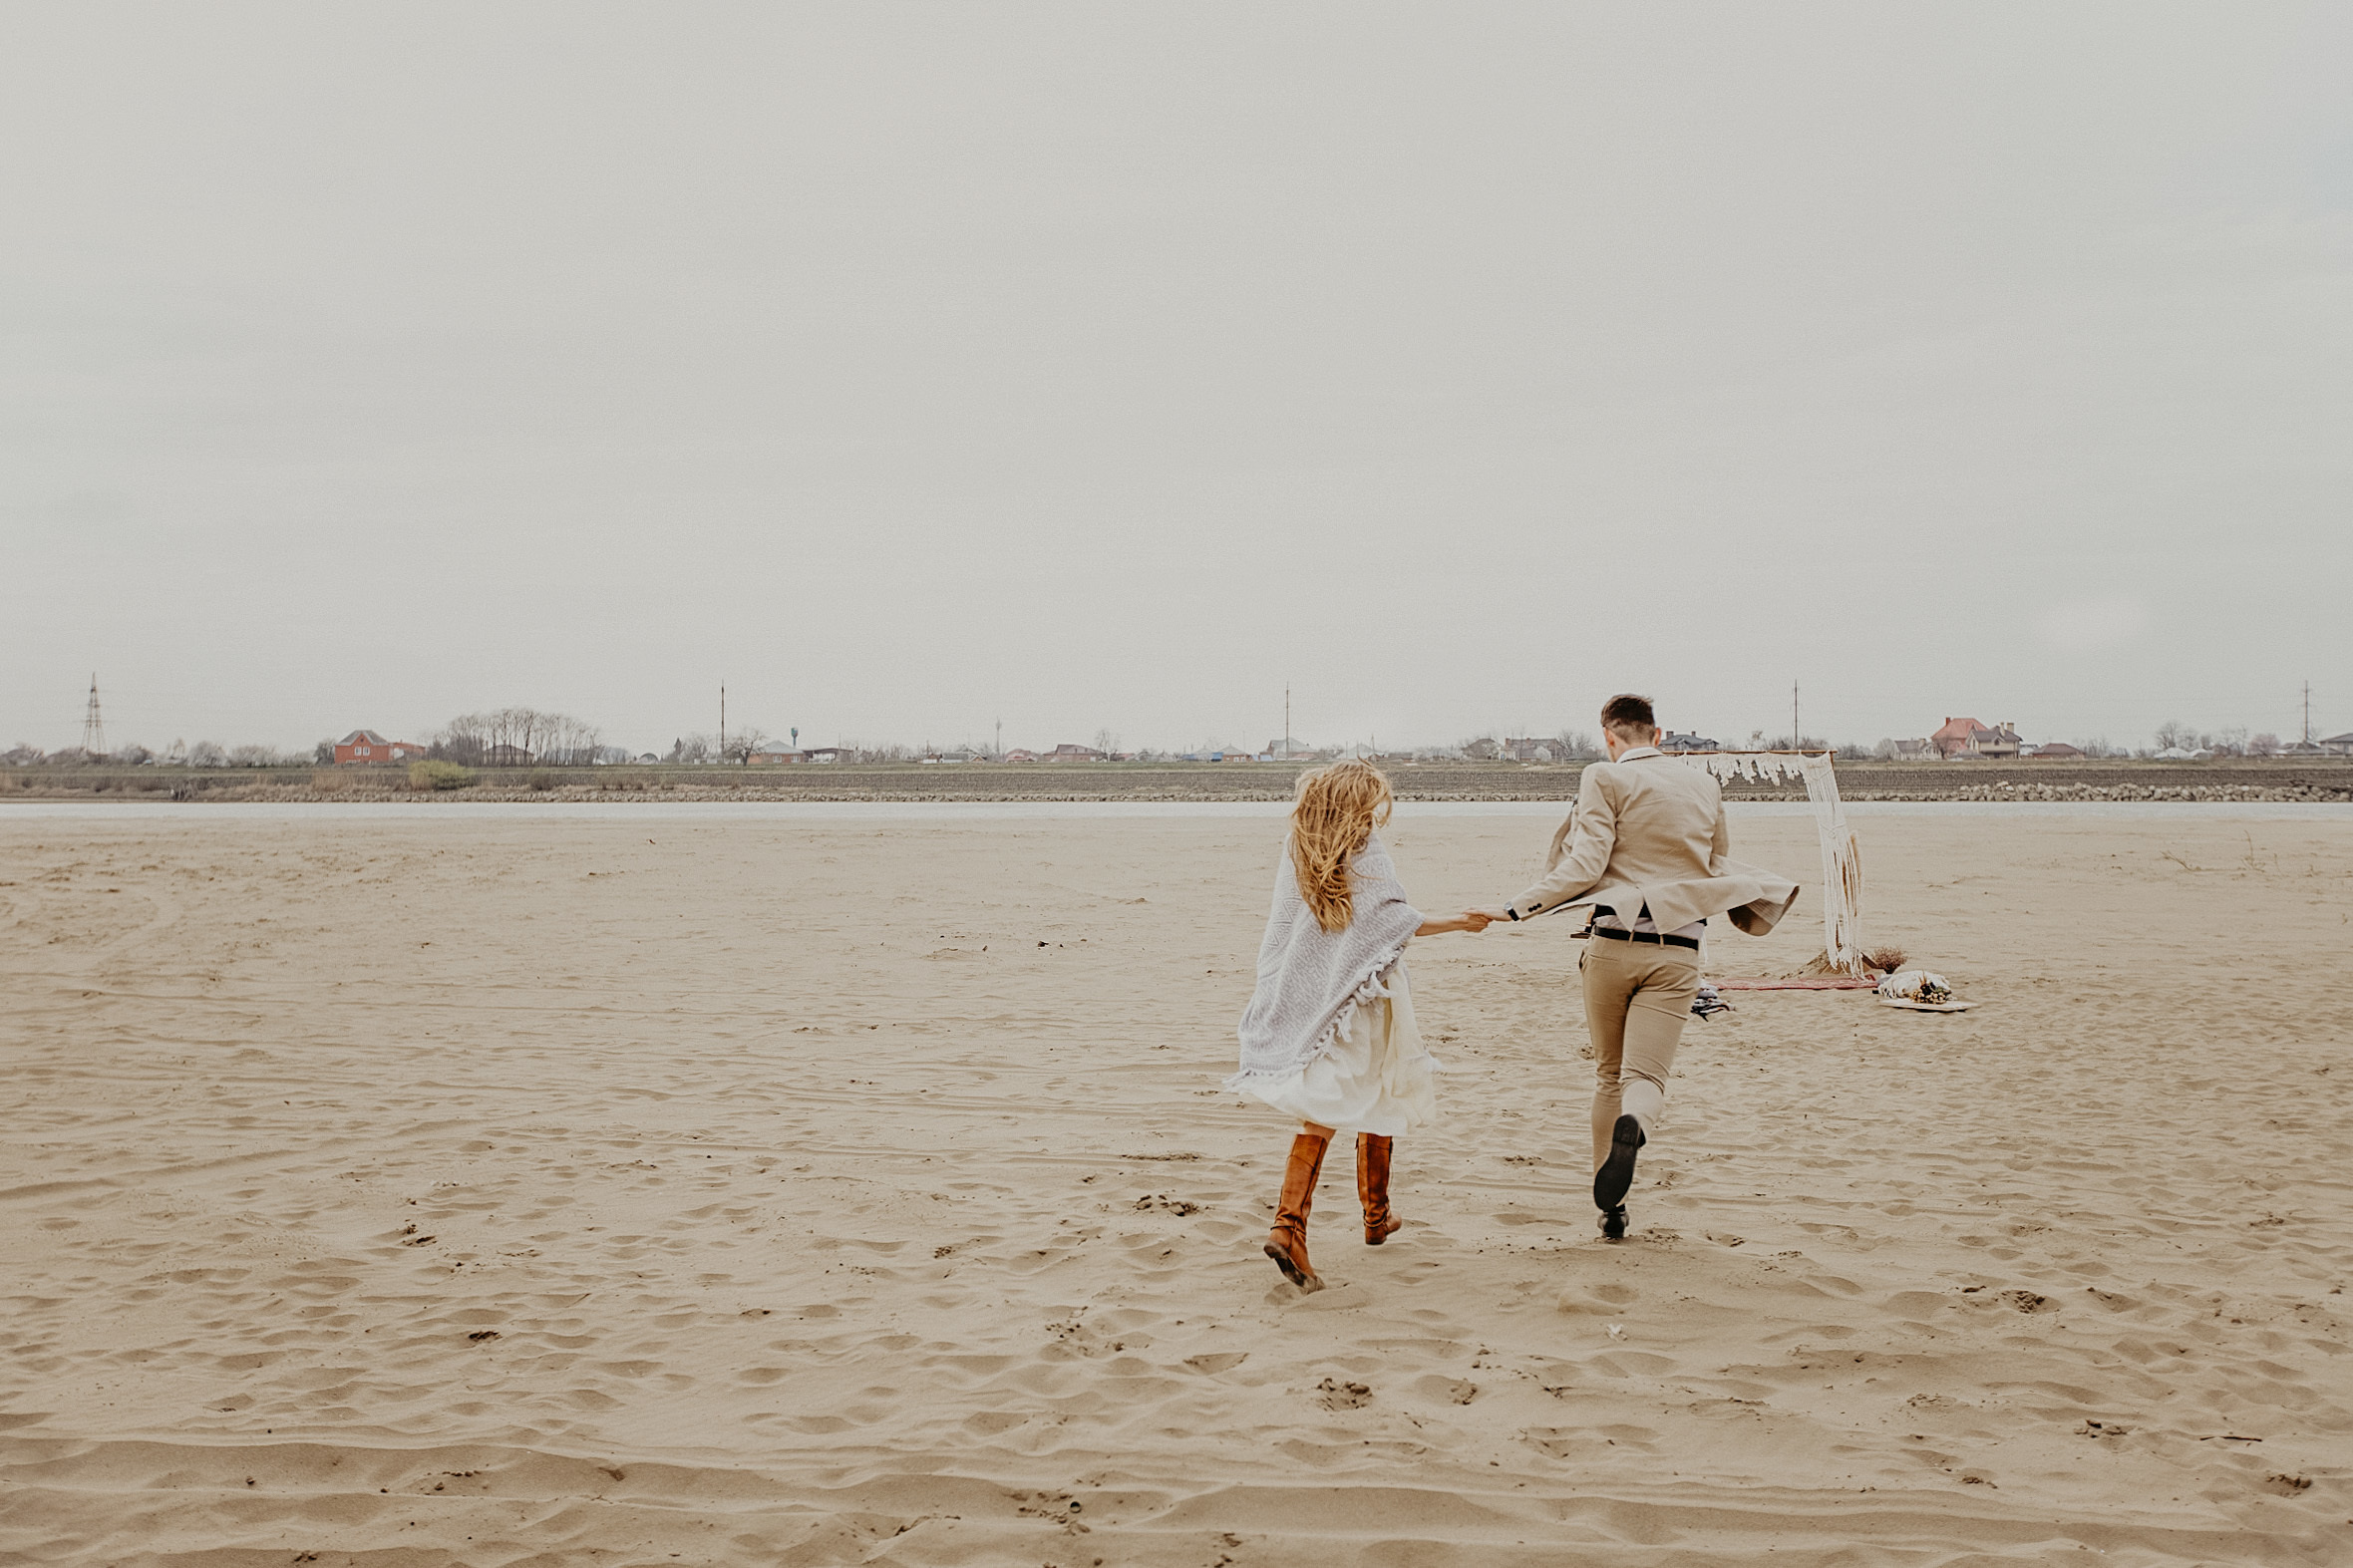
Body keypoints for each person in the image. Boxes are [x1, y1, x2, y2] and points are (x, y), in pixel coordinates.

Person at [1479, 696, 1798, 1240]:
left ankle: (1611, 1210)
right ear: (1658, 733)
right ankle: (1638, 1125)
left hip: (1611, 943)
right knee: (1645, 1077)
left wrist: (1515, 908)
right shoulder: (1705, 784)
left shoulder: (1602, 777)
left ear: (1609, 736)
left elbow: (1586, 864)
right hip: (1677, 950)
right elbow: (1714, 862)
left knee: (1608, 1074)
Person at [1228, 760, 1489, 1292]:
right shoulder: (1364, 849)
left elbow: (1288, 929)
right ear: (1357, 804)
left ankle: (1370, 1215)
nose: (1377, 814)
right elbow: (1391, 921)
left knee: (1353, 1093)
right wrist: (1463, 923)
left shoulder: (1298, 845)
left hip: (1316, 992)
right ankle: (1292, 1226)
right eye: (1372, 803)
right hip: (1362, 997)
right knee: (1351, 1095)